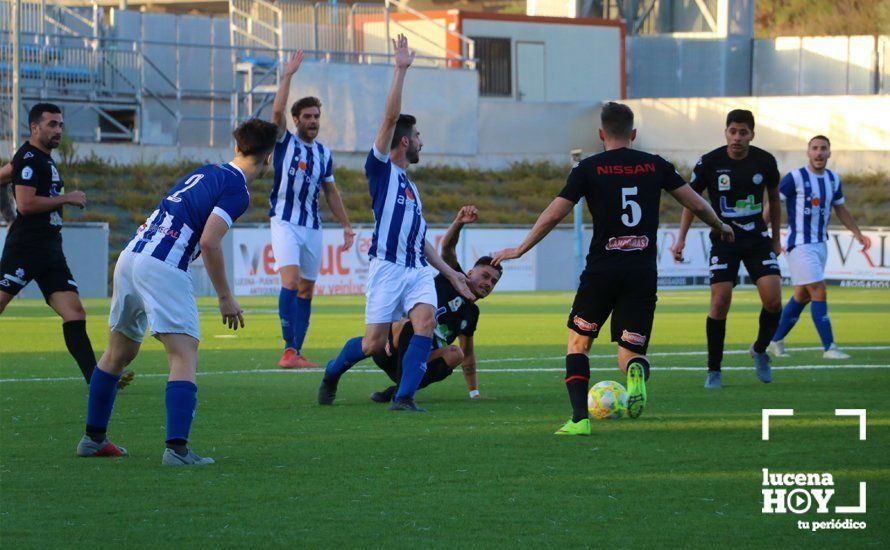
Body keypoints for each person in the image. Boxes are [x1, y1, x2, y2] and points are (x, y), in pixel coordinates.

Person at [493, 102, 733, 435]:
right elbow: (696, 202)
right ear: (633, 133)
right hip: (642, 272)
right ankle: (635, 370)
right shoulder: (656, 165)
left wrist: (521, 248)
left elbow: (553, 214)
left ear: (601, 134)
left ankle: (579, 420)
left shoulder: (588, 168)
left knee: (579, 344)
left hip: (602, 270)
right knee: (630, 351)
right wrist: (720, 225)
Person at [74, 118, 279, 465]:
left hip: (131, 256)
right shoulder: (237, 189)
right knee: (184, 355)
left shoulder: (206, 172)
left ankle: (93, 438)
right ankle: (177, 449)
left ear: (236, 148)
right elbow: (209, 242)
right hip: (163, 265)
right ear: (269, 157)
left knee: (118, 353)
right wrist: (225, 297)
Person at [317, 34, 473, 413]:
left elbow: (421, 242)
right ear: (404, 142)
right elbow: (389, 117)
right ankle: (333, 371)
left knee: (423, 323)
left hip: (417, 270)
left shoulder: (413, 190)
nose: (422, 141)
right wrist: (400, 70)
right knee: (372, 344)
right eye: (417, 136)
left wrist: (450, 275)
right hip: (387, 268)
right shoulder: (382, 171)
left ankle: (403, 397)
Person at [0, 103, 133, 389]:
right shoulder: (29, 156)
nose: (58, 130)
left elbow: (3, 177)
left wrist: (6, 214)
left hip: (49, 250)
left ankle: (96, 380)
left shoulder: (40, 158)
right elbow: (26, 204)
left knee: (75, 312)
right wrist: (65, 198)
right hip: (25, 248)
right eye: (52, 124)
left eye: (60, 124)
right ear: (35, 127)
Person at [671, 109, 782, 390]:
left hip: (757, 239)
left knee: (773, 301)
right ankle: (714, 370)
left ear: (751, 135)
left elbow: (774, 200)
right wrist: (680, 239)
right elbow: (690, 201)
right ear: (726, 132)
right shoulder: (709, 163)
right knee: (720, 302)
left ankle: (759, 349)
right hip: (725, 240)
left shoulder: (765, 161)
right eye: (732, 131)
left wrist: (776, 238)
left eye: (743, 132)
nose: (737, 137)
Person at [269, 51, 355, 369]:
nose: (313, 121)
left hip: (313, 226)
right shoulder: (284, 142)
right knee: (290, 283)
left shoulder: (323, 153)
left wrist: (346, 225)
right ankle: (288, 350)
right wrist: (288, 75)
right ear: (297, 120)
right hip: (284, 221)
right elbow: (277, 111)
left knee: (307, 288)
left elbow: (330, 191)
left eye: (316, 116)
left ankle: (296, 351)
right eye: (307, 116)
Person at [368, 206, 501, 403]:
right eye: (485, 276)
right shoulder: (453, 277)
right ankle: (334, 373)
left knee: (457, 353)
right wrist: (458, 223)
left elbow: (469, 354)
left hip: (422, 358)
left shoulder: (472, 312)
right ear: (471, 273)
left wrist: (474, 392)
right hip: (393, 347)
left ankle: (398, 392)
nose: (488, 283)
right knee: (403, 327)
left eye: (493, 282)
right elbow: (447, 249)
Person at [768, 135, 866, 359]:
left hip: (821, 244)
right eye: (815, 148)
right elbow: (773, 203)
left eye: (823, 149)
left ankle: (775, 340)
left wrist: (857, 233)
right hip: (800, 243)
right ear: (808, 153)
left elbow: (841, 209)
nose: (819, 152)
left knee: (802, 296)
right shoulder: (795, 177)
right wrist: (760, 230)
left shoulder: (833, 179)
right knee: (819, 290)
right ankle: (829, 347)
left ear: (829, 153)